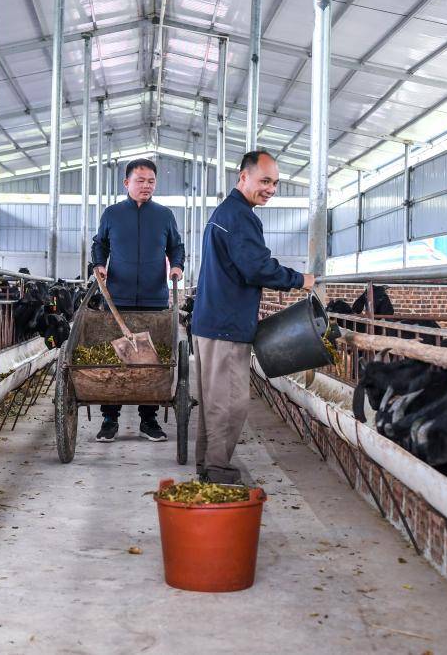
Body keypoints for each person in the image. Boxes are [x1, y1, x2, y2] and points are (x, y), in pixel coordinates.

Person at [190, 150, 315, 484]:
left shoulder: (226, 212)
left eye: (275, 183)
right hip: (227, 325)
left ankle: (208, 463)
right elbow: (256, 267)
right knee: (230, 401)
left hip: (211, 321)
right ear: (242, 177)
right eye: (264, 181)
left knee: (213, 399)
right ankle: (217, 469)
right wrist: (299, 279)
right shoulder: (240, 216)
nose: (271, 188)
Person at [91, 158, 185, 443]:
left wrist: (176, 266)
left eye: (151, 181)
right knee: (114, 355)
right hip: (116, 297)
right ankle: (110, 419)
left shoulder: (164, 215)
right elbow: (100, 243)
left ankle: (149, 419)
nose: (146, 186)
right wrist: (99, 264)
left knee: (152, 358)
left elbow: (176, 246)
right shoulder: (112, 213)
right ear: (126, 183)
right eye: (140, 180)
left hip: (154, 296)